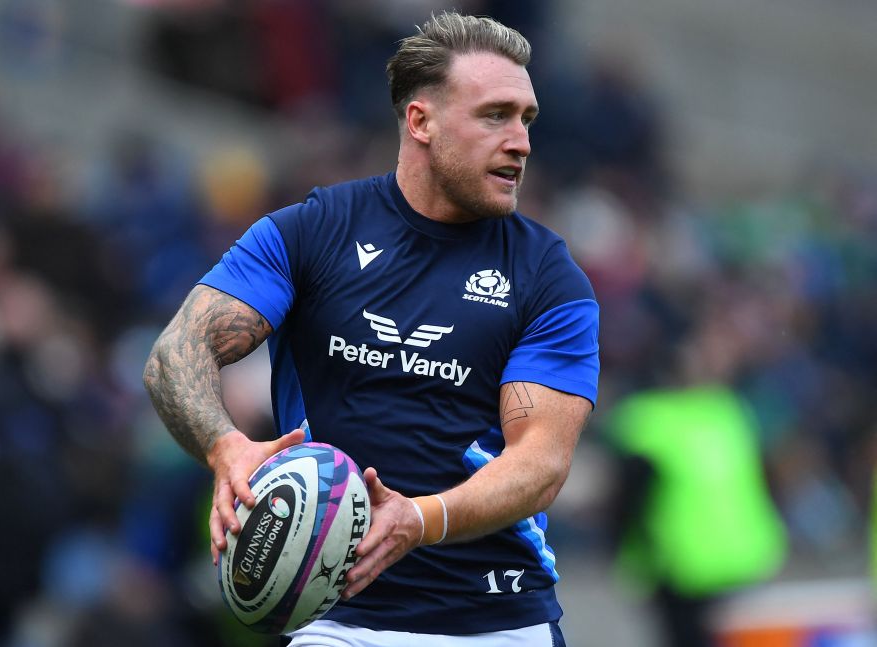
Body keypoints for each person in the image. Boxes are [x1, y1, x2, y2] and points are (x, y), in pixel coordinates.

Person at [144, 11, 599, 646]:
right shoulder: (311, 233)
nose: (520, 141)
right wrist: (228, 449)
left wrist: (420, 518)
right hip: (338, 623)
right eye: (495, 115)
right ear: (421, 121)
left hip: (498, 621)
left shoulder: (549, 277)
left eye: (527, 119)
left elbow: (542, 464)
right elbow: (174, 354)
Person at [603, 319, 787, 647]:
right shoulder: (728, 411)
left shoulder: (644, 422)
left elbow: (628, 501)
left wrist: (624, 556)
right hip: (744, 555)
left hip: (681, 566)